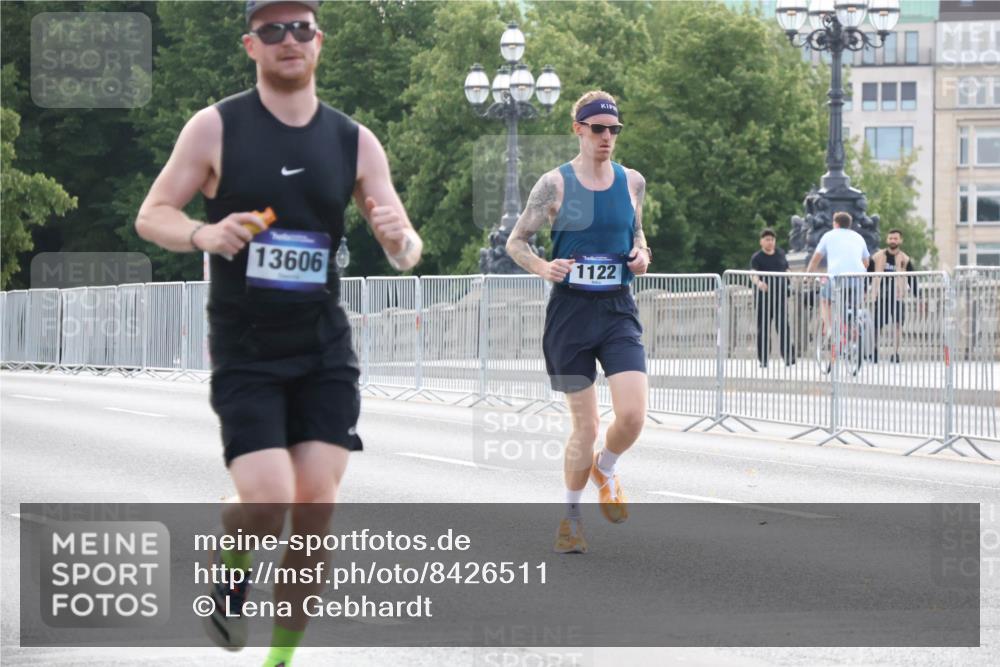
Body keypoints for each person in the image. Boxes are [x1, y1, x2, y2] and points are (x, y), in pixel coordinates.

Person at [134, 2, 422, 665]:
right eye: (272, 30)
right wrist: (204, 233)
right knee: (267, 501)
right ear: (251, 45)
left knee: (314, 508)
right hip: (247, 347)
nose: (288, 39)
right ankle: (231, 570)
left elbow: (407, 246)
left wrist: (397, 241)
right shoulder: (215, 128)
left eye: (300, 28)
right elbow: (152, 214)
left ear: (319, 40)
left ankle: (280, 660)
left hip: (323, 347)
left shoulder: (354, 141)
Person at [506, 90, 651, 554]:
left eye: (614, 130)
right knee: (585, 427)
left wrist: (642, 254)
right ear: (579, 130)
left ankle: (605, 469)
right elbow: (516, 242)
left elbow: (638, 234)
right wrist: (543, 267)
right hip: (570, 314)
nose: (607, 137)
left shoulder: (632, 182)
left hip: (617, 310)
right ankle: (570, 520)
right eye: (598, 129)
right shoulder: (554, 184)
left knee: (633, 416)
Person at [805, 211, 870, 336]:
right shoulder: (858, 237)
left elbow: (815, 259)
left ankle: (829, 328)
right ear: (849, 224)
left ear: (835, 224)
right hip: (857, 278)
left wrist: (807, 277)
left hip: (836, 277)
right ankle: (854, 329)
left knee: (825, 300)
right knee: (854, 305)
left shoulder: (828, 235)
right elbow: (866, 262)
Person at [867, 228, 916, 363]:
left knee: (898, 325)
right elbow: (868, 274)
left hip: (898, 296)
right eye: (890, 238)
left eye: (895, 238)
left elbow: (912, 278)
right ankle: (874, 351)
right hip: (880, 296)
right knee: (877, 325)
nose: (893, 241)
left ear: (900, 240)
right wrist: (865, 290)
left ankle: (896, 353)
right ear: (887, 239)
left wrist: (917, 294)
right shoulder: (877, 256)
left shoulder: (905, 259)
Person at [749, 228, 794, 368]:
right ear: (761, 241)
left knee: (784, 327)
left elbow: (786, 268)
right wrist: (759, 283)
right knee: (763, 329)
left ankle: (788, 357)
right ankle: (763, 359)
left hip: (780, 297)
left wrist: (791, 276)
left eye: (772, 239)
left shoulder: (780, 253)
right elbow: (753, 274)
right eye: (767, 239)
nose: (770, 242)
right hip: (764, 298)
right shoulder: (757, 257)